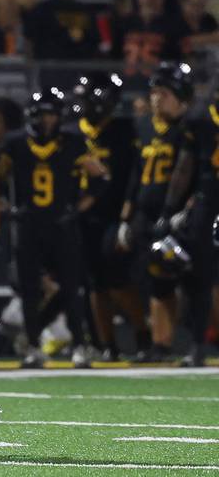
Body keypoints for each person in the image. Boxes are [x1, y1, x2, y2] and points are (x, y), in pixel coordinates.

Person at [0, 88, 109, 368]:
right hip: (29, 225)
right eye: (42, 114)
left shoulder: (73, 141)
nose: (47, 121)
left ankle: (80, 344)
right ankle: (34, 345)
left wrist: (78, 208)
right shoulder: (15, 143)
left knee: (72, 287)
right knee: (29, 289)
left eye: (51, 114)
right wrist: (4, 206)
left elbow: (100, 177)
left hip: (61, 224)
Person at [69, 72, 151, 361]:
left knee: (118, 280)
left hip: (114, 214)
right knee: (95, 283)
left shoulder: (123, 131)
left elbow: (132, 176)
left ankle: (143, 337)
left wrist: (127, 216)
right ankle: (107, 345)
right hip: (84, 216)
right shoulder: (74, 132)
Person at [117, 62, 195, 362]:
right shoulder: (145, 127)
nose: (156, 99)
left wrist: (186, 208)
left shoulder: (188, 128)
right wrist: (125, 218)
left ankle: (187, 341)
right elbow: (135, 175)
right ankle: (159, 344)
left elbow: (194, 173)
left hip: (177, 214)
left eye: (163, 93)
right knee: (150, 278)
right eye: (154, 93)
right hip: (146, 215)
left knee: (190, 280)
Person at [152, 84, 219, 367]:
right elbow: (185, 167)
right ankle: (198, 344)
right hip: (209, 201)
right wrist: (171, 209)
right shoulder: (201, 119)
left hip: (207, 203)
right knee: (198, 277)